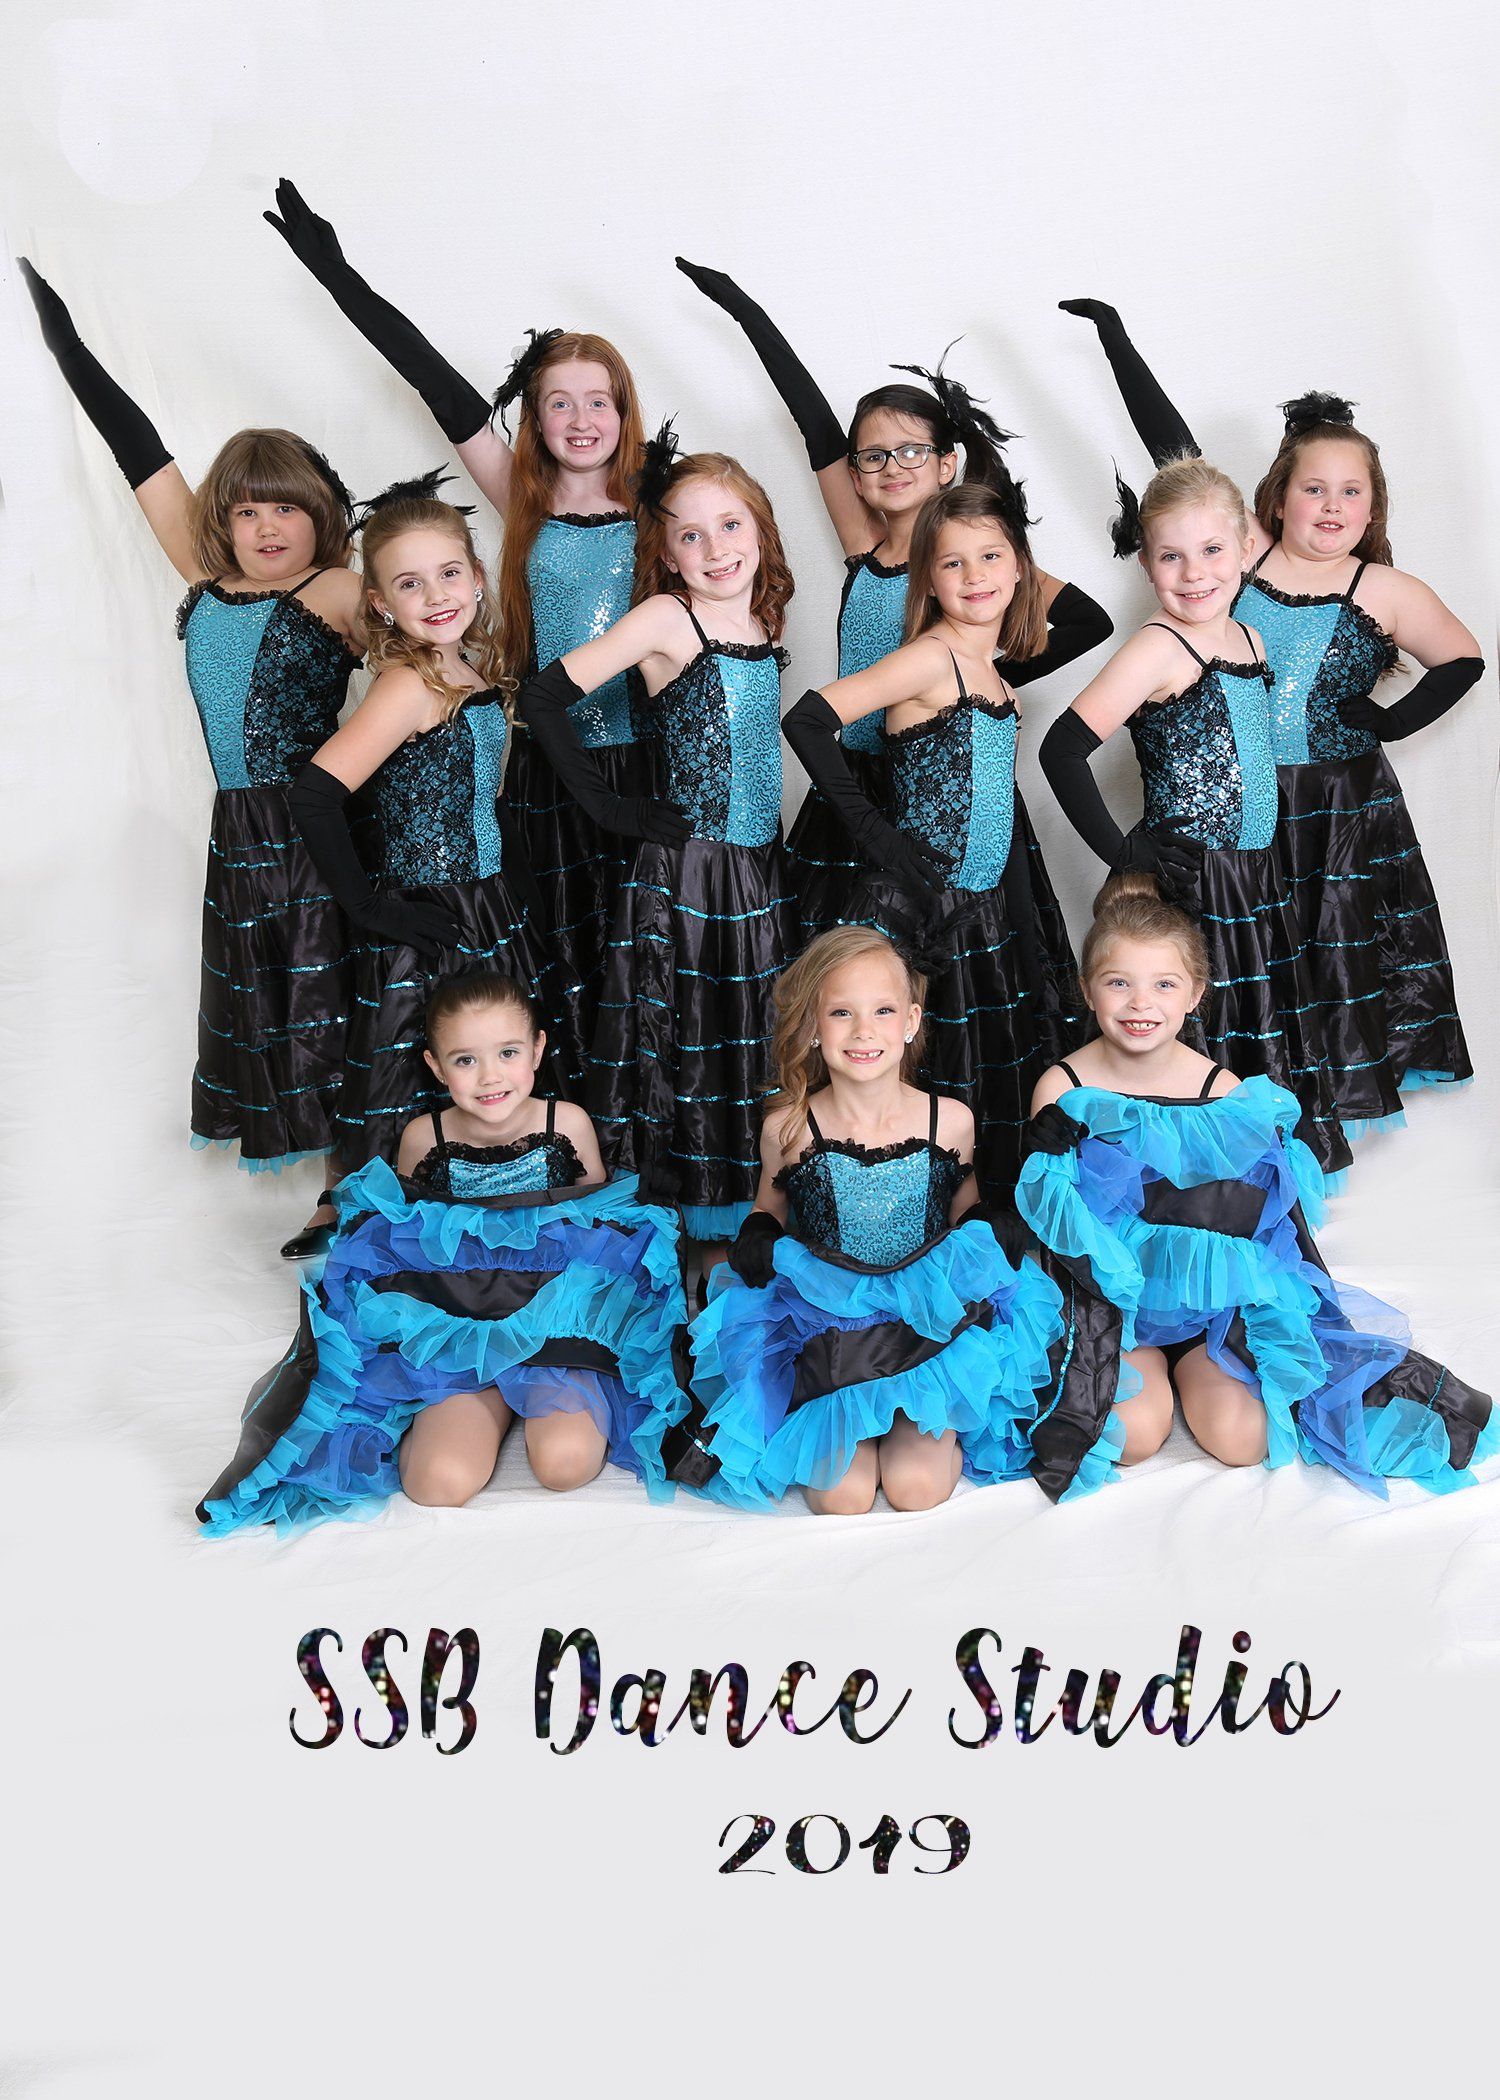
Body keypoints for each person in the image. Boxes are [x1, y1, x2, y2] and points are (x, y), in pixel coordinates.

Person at [1061, 298, 1482, 1125]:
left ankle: (1319, 1100)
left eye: (1350, 492)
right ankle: (1205, 1104)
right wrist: (1116, 341)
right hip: (1237, 811)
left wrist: (1387, 721)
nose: (1330, 506)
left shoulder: (1384, 589)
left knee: (1327, 950)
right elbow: (1175, 455)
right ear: (1274, 501)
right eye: (1312, 489)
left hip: (1337, 807)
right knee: (1233, 959)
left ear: (1374, 505)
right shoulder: (1238, 553)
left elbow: (1465, 658)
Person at [21, 258, 363, 1252]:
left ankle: (355, 1191)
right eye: (248, 509)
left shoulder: (332, 591)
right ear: (223, 520)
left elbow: (426, 640)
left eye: (286, 508)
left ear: (319, 519)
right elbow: (139, 447)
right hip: (241, 831)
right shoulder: (204, 574)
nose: (265, 527)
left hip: (315, 821)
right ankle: (341, 1186)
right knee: (274, 995)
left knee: (332, 996)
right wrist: (63, 339)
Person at [264, 181, 654, 1049]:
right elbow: (433, 380)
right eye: (558, 401)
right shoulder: (522, 500)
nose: (580, 419)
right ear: (533, 419)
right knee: (553, 952)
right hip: (545, 768)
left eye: (599, 400)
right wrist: (340, 277)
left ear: (624, 413)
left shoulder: (658, 512)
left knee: (635, 954)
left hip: (636, 760)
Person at [1014, 873, 1495, 1498]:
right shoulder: (1065, 1088)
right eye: (1118, 983)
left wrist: (1281, 1306)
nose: (1141, 1004)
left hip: (1210, 1306)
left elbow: (1267, 1222)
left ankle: (1195, 1368)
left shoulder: (1225, 1093)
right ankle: (1148, 1372)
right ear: (1087, 990)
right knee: (1131, 1438)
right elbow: (1052, 1221)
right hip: (1111, 1303)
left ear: (1195, 994)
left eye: (1164, 984)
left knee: (1244, 1442)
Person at [678, 258, 1113, 936]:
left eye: (910, 451)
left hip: (946, 788)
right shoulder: (862, 542)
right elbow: (814, 425)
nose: (890, 466)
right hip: (858, 788)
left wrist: (991, 678)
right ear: (855, 476)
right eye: (873, 456)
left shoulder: (967, 557)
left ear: (946, 464)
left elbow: (1090, 620)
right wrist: (744, 311)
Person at [196, 970, 687, 1533]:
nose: (490, 1076)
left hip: (551, 1331)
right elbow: (399, 1244)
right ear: (435, 1066)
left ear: (538, 1050)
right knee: (436, 1485)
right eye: (465, 1060)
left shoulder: (566, 1122)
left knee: (565, 1467)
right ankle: (465, 1407)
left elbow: (605, 1236)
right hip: (457, 1332)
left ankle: (539, 1400)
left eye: (507, 1052)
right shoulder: (423, 1138)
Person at [638, 929, 1065, 1512]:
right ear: (814, 1027)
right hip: (828, 1326)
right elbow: (768, 1207)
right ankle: (842, 1419)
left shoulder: (951, 1119)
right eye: (842, 1013)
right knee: (841, 1497)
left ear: (911, 1021)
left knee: (917, 1489)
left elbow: (965, 1209)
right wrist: (760, 1234)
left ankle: (915, 1417)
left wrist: (990, 1221)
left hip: (926, 1326)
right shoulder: (789, 1128)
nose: (864, 1032)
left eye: (882, 1011)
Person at [514, 435, 794, 1257]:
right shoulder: (668, 617)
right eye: (691, 536)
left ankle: (746, 1211)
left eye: (731, 526)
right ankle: (671, 1222)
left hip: (756, 866)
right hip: (686, 872)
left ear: (762, 533)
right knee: (679, 1046)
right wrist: (611, 808)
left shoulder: (760, 614)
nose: (716, 549)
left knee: (749, 1032)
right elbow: (545, 695)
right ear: (666, 556)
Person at [1038, 454, 1350, 1174]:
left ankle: (1248, 1176)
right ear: (1146, 563)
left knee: (1255, 1017)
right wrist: (1125, 853)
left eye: (1212, 551)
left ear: (1246, 547)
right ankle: (1181, 1181)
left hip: (1252, 877)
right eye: (1171, 557)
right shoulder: (1155, 647)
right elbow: (1062, 750)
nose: (1195, 573)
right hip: (1195, 882)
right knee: (1192, 1022)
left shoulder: (1248, 637)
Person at [287, 475, 603, 1168]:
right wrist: (372, 909)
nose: (436, 597)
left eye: (449, 574)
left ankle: (508, 1182)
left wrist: (524, 900)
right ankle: (388, 1208)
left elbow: (485, 802)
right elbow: (314, 794)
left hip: (490, 905)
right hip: (426, 914)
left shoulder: (474, 668)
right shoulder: (407, 685)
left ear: (479, 577)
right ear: (378, 601)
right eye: (409, 584)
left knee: (500, 1057)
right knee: (417, 1061)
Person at [783, 480, 1082, 1193]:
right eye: (952, 563)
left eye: (989, 557)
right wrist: (877, 834)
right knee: (909, 1071)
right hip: (916, 911)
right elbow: (808, 720)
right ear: (927, 577)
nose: (975, 576)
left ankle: (967, 1214)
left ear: (1020, 569)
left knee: (978, 1073)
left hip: (977, 915)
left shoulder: (992, 674)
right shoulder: (929, 656)